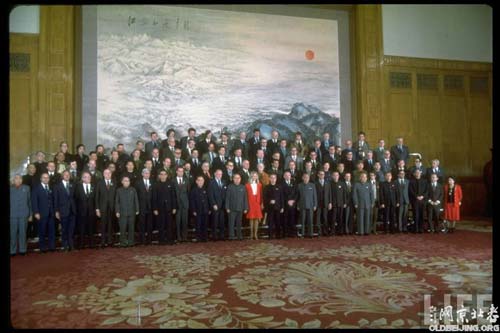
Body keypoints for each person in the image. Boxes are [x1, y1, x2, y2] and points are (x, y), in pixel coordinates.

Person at [32, 173, 56, 253]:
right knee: (42, 231)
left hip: (51, 213)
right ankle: (42, 248)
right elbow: (34, 201)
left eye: (47, 178)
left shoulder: (51, 187)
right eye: (44, 178)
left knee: (51, 231)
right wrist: (36, 212)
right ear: (41, 179)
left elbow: (53, 200)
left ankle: (52, 247)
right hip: (41, 213)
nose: (46, 179)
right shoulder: (36, 188)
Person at [152, 170, 178, 245]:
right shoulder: (156, 185)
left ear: (167, 175)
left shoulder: (171, 184)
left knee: (169, 225)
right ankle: (161, 240)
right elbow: (154, 198)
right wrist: (155, 208)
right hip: (160, 209)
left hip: (169, 208)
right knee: (161, 225)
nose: (163, 176)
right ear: (159, 176)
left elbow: (173, 196)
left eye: (164, 174)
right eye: (161, 174)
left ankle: (170, 240)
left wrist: (174, 207)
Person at [54, 170, 76, 251]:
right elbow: (56, 199)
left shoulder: (72, 185)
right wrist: (56, 211)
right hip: (63, 211)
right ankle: (65, 246)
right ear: (62, 176)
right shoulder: (57, 186)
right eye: (65, 175)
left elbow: (75, 198)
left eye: (68, 175)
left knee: (71, 229)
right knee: (64, 229)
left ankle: (71, 246)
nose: (67, 176)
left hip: (72, 211)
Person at [10, 175, 32, 256]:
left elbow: (29, 202)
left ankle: (23, 250)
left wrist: (30, 214)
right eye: (16, 178)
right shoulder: (10, 188)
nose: (18, 180)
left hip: (24, 214)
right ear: (13, 180)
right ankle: (12, 250)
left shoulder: (27, 188)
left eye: (20, 178)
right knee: (13, 233)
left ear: (22, 180)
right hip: (12, 215)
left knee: (23, 233)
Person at [115, 176, 139, 247]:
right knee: (123, 228)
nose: (127, 182)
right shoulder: (119, 190)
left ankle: (131, 242)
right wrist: (117, 211)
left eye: (128, 181)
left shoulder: (133, 189)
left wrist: (137, 209)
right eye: (125, 181)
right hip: (122, 213)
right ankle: (123, 242)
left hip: (132, 212)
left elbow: (136, 200)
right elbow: (117, 202)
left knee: (131, 228)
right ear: (122, 182)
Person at [75, 172, 97, 249]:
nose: (88, 178)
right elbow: (76, 199)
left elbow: (95, 199)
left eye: (89, 177)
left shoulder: (94, 186)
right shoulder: (78, 187)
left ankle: (92, 244)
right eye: (85, 177)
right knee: (82, 229)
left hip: (91, 211)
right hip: (81, 212)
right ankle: (81, 244)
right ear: (82, 178)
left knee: (91, 228)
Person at [95, 169, 116, 247]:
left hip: (111, 207)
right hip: (102, 208)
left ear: (111, 174)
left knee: (111, 225)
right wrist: (97, 209)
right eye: (106, 173)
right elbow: (97, 197)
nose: (108, 174)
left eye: (109, 173)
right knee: (103, 225)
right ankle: (103, 241)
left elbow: (116, 196)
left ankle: (110, 241)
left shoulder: (114, 182)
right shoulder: (99, 183)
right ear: (103, 174)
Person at [225, 173, 249, 240]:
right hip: (231, 209)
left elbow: (245, 198)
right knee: (231, 223)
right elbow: (227, 198)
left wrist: (246, 208)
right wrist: (227, 207)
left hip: (240, 208)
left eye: (238, 178)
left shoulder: (243, 187)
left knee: (239, 223)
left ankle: (239, 236)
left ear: (240, 179)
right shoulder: (230, 186)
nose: (237, 179)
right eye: (235, 178)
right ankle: (231, 236)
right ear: (233, 179)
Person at [135, 168, 154, 245]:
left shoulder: (152, 182)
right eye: (145, 173)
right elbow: (136, 196)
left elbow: (154, 195)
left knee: (150, 224)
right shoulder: (138, 183)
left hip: (150, 206)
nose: (147, 174)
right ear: (142, 174)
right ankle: (142, 240)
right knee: (141, 223)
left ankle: (149, 240)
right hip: (141, 206)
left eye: (148, 173)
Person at [207, 169, 227, 241]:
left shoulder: (224, 182)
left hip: (222, 205)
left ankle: (222, 236)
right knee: (215, 222)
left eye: (221, 174)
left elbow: (225, 194)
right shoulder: (211, 182)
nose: (219, 175)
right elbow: (210, 194)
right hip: (215, 205)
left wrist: (225, 204)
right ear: (215, 174)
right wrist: (213, 204)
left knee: (222, 221)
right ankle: (214, 236)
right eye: (218, 174)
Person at [263, 173, 283, 239]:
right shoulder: (266, 187)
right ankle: (270, 236)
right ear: (269, 178)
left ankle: (278, 235)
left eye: (274, 178)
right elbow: (264, 197)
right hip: (270, 208)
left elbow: (281, 198)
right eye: (271, 178)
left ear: (276, 179)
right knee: (270, 222)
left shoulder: (279, 187)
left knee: (278, 222)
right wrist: (269, 201)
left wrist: (282, 207)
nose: (273, 179)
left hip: (278, 207)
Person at [190, 176, 210, 242]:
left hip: (205, 210)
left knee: (205, 224)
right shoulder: (193, 190)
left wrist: (209, 209)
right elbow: (192, 201)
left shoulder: (206, 189)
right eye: (199, 180)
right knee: (198, 224)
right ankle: (198, 237)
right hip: (197, 210)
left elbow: (208, 200)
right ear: (196, 181)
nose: (201, 182)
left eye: (202, 180)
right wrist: (193, 210)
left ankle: (205, 237)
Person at [297, 173, 317, 238]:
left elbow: (315, 196)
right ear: (302, 178)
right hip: (302, 206)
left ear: (309, 178)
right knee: (302, 220)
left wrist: (315, 205)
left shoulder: (312, 185)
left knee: (310, 220)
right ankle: (302, 234)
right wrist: (298, 205)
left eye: (307, 177)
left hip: (311, 206)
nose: (306, 179)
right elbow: (297, 197)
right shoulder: (299, 185)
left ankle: (310, 234)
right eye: (305, 177)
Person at [173, 166, 190, 242]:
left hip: (185, 204)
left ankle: (184, 237)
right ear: (176, 172)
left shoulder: (186, 180)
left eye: (182, 171)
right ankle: (178, 237)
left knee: (185, 221)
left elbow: (188, 192)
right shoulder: (173, 181)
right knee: (177, 221)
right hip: (176, 204)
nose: (181, 173)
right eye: (179, 171)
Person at [246, 171, 263, 240]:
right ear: (251, 176)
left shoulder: (260, 185)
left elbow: (261, 195)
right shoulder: (247, 185)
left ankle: (255, 234)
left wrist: (262, 203)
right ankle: (251, 234)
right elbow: (246, 195)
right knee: (251, 218)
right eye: (253, 176)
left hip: (257, 203)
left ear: (257, 177)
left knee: (257, 218)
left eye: (256, 176)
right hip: (250, 202)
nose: (254, 177)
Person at [330, 171, 347, 235]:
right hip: (333, 204)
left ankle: (340, 231)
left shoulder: (342, 183)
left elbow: (344, 194)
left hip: (341, 203)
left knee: (340, 218)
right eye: (334, 175)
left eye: (337, 175)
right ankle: (332, 231)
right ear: (332, 176)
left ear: (338, 176)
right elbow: (329, 194)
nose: (335, 176)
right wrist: (330, 202)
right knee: (333, 218)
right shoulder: (330, 184)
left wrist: (345, 202)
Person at [315, 170, 331, 237]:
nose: (322, 175)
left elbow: (330, 194)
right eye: (320, 174)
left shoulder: (328, 183)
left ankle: (325, 231)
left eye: (323, 174)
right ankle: (319, 232)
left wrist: (330, 202)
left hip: (326, 203)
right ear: (318, 175)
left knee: (325, 218)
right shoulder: (315, 183)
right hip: (318, 203)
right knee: (318, 218)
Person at [281, 171, 297, 238]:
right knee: (285, 219)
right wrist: (287, 201)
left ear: (291, 176)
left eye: (289, 175)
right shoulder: (281, 184)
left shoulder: (294, 183)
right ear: (284, 176)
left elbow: (297, 193)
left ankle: (292, 233)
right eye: (286, 175)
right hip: (285, 204)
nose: (288, 176)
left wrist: (293, 200)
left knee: (292, 219)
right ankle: (285, 233)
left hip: (293, 204)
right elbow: (281, 195)